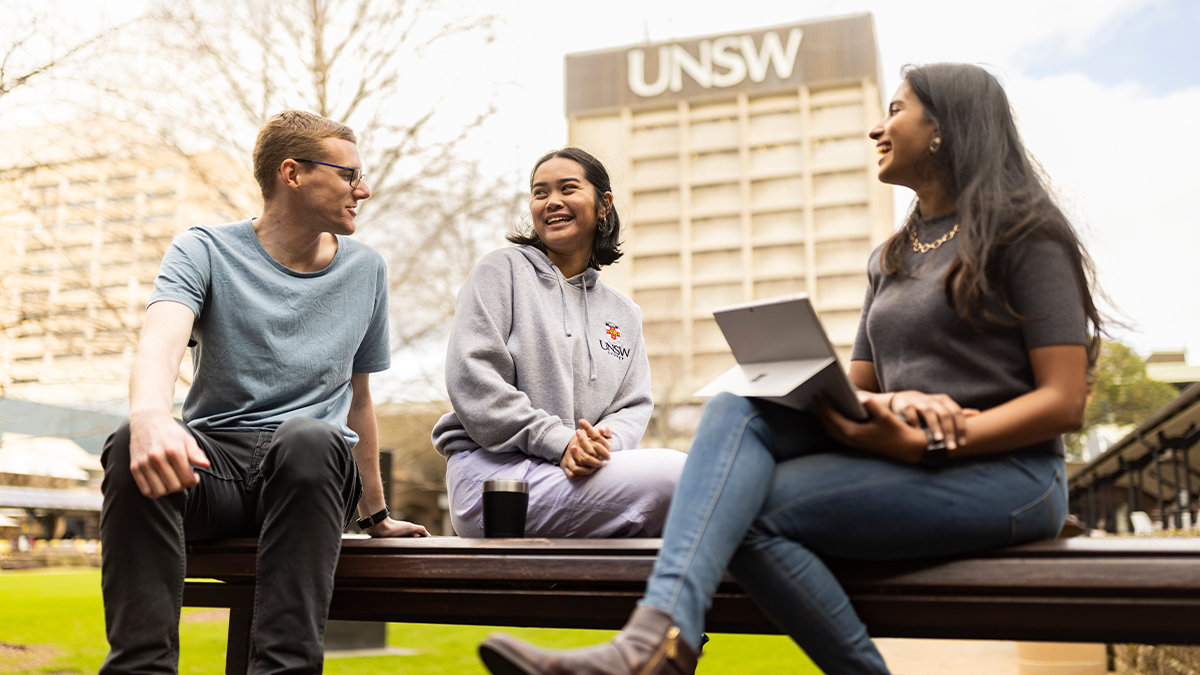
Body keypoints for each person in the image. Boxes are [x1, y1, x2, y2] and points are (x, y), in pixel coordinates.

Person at [477, 62, 1102, 675]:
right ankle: (655, 642)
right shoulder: (893, 256)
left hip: (1009, 474)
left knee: (741, 509)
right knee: (734, 406)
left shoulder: (1025, 234)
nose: (876, 130)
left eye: (894, 110)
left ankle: (652, 646)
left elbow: (1063, 402)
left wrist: (932, 438)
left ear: (943, 127)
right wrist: (888, 414)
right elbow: (861, 392)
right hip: (902, 453)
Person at [99, 110, 428, 675]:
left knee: (309, 437)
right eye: (349, 175)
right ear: (292, 173)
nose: (363, 189)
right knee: (133, 437)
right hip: (217, 469)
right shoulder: (202, 249)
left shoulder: (365, 270)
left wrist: (377, 517)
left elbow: (360, 399)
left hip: (308, 473)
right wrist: (151, 415)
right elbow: (161, 338)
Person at [432, 147, 686, 538]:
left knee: (698, 496)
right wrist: (560, 442)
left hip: (583, 474)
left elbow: (632, 406)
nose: (552, 202)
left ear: (604, 205)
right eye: (540, 192)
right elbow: (473, 381)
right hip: (495, 479)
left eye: (568, 188)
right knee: (677, 477)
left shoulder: (623, 313)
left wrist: (595, 448)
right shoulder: (501, 272)